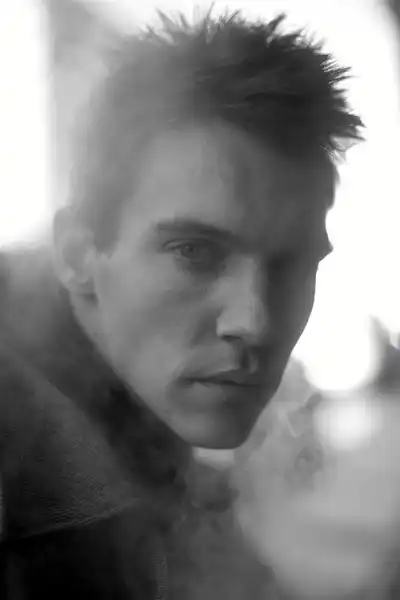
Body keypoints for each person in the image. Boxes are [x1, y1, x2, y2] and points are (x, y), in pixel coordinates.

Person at [0, 10, 362, 599]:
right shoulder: (36, 499)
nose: (255, 321)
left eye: (292, 266)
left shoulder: (140, 448)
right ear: (78, 254)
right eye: (194, 252)